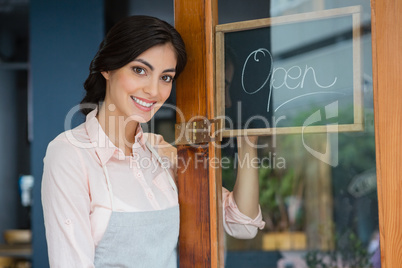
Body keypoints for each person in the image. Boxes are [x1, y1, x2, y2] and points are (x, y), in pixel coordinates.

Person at [41, 15, 265, 267]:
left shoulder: (158, 150)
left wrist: (249, 140)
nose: (154, 91)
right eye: (139, 70)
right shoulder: (70, 154)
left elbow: (242, 224)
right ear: (107, 67)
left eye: (166, 77)